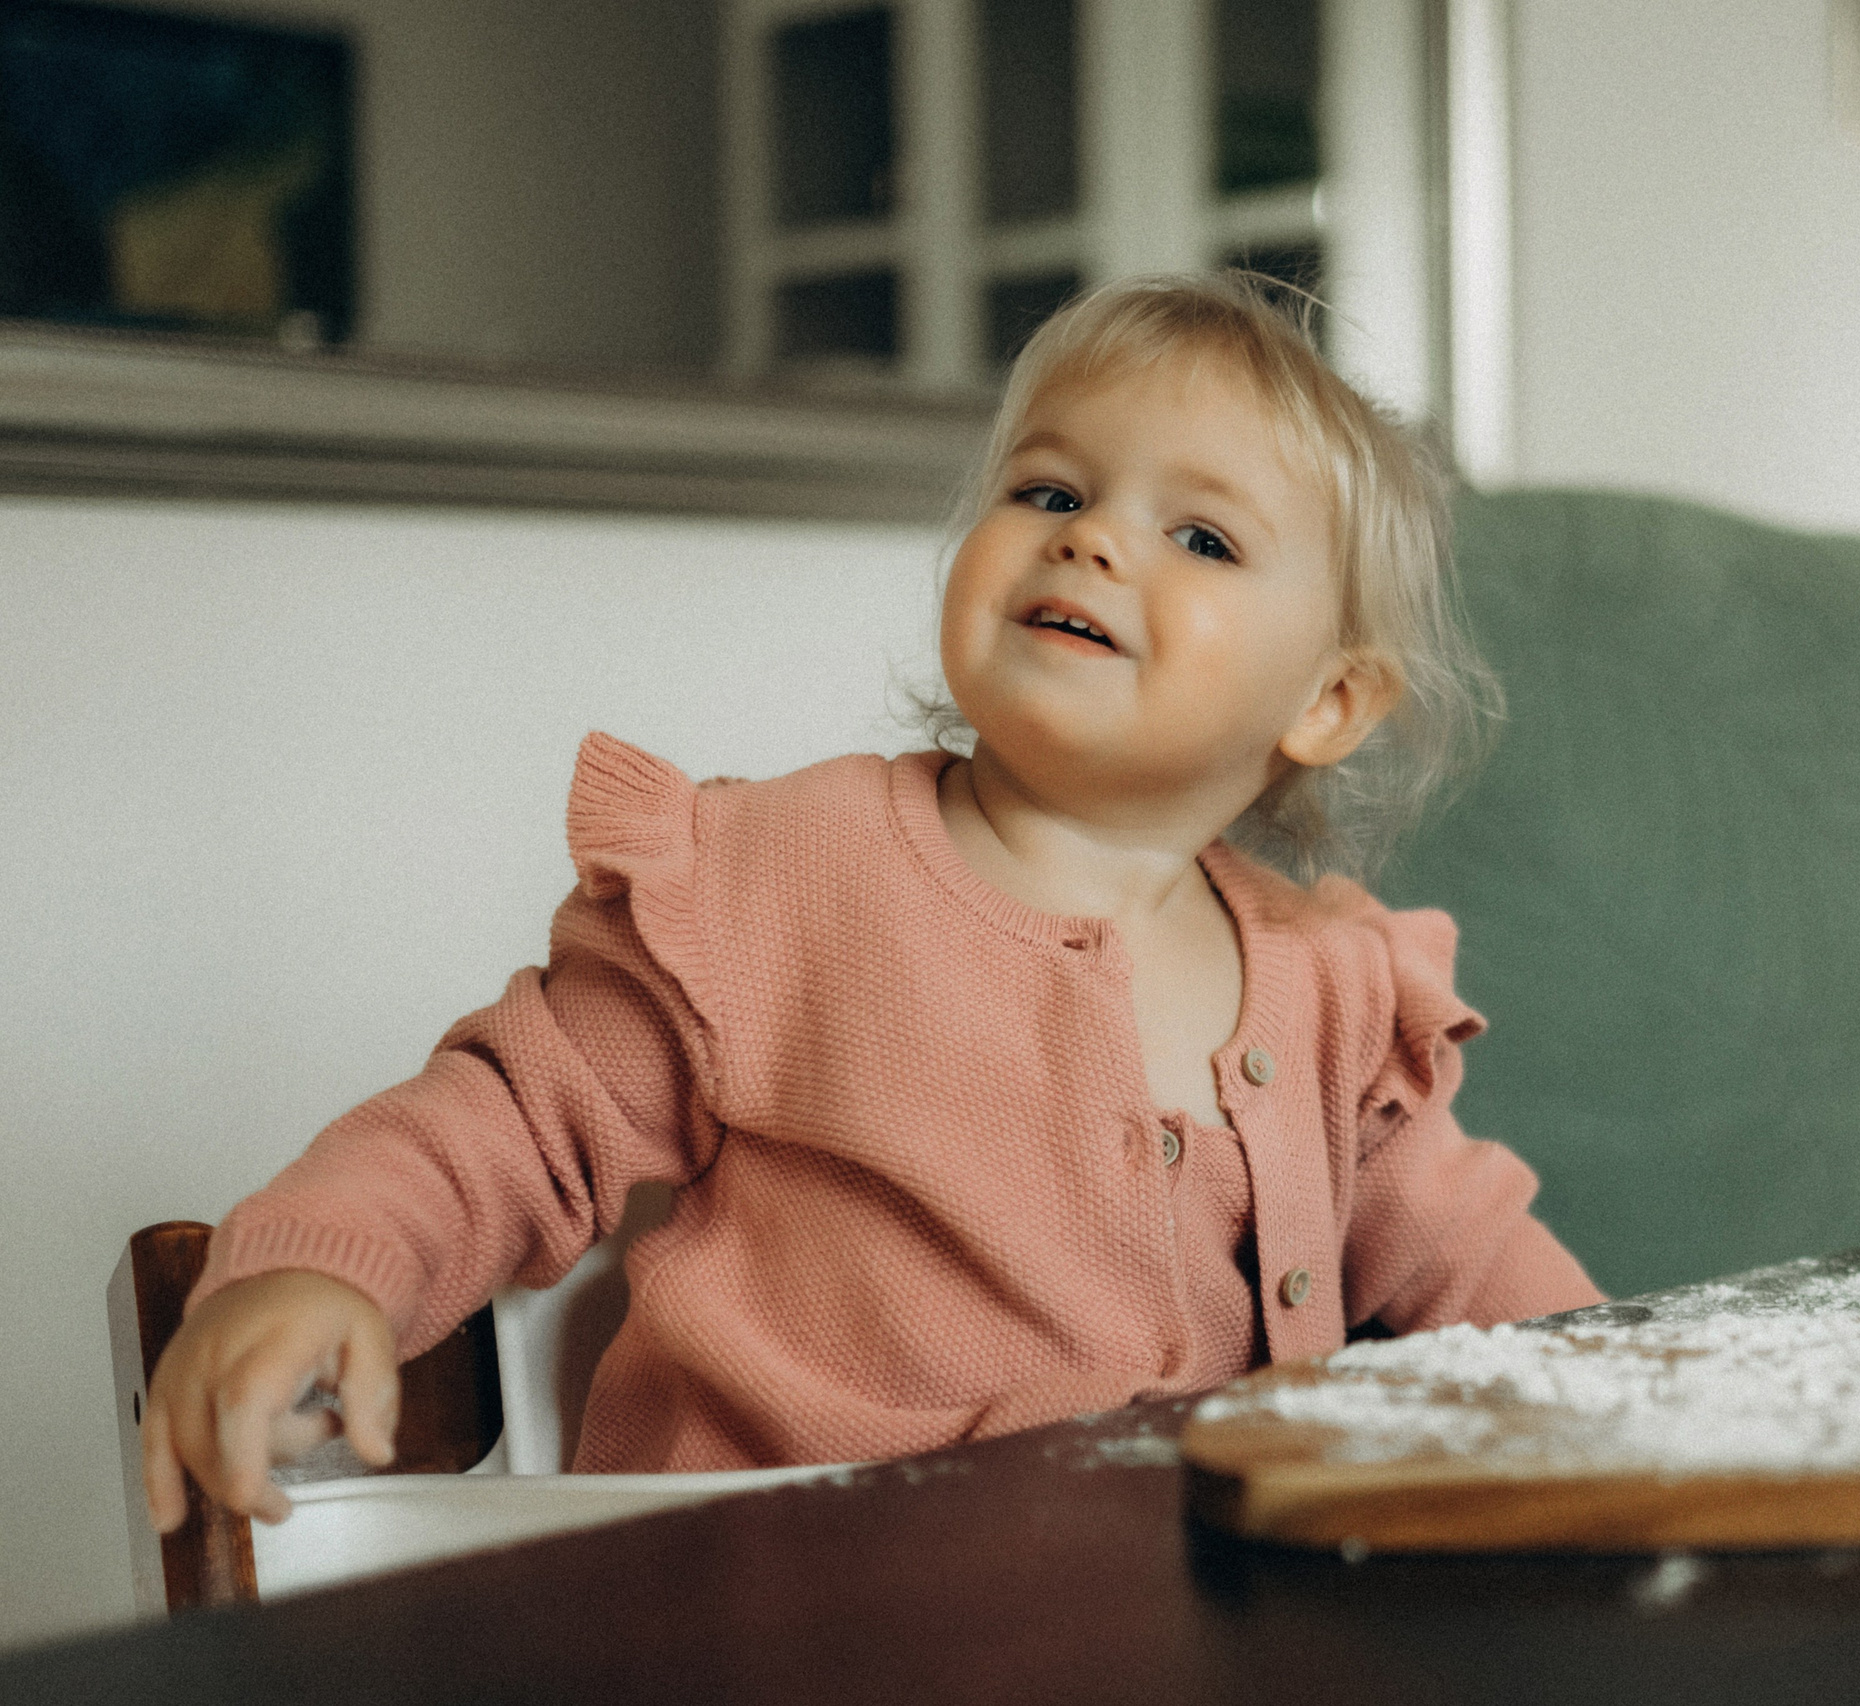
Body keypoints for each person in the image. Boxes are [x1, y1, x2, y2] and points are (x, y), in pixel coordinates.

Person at [142, 272, 1603, 1531]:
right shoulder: (782, 878)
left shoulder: (1329, 982)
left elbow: (1474, 1258)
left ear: (1330, 700)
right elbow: (509, 1120)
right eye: (1051, 490)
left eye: (1203, 537)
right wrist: (326, 1266)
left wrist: (1655, 1401)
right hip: (770, 1615)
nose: (1092, 538)